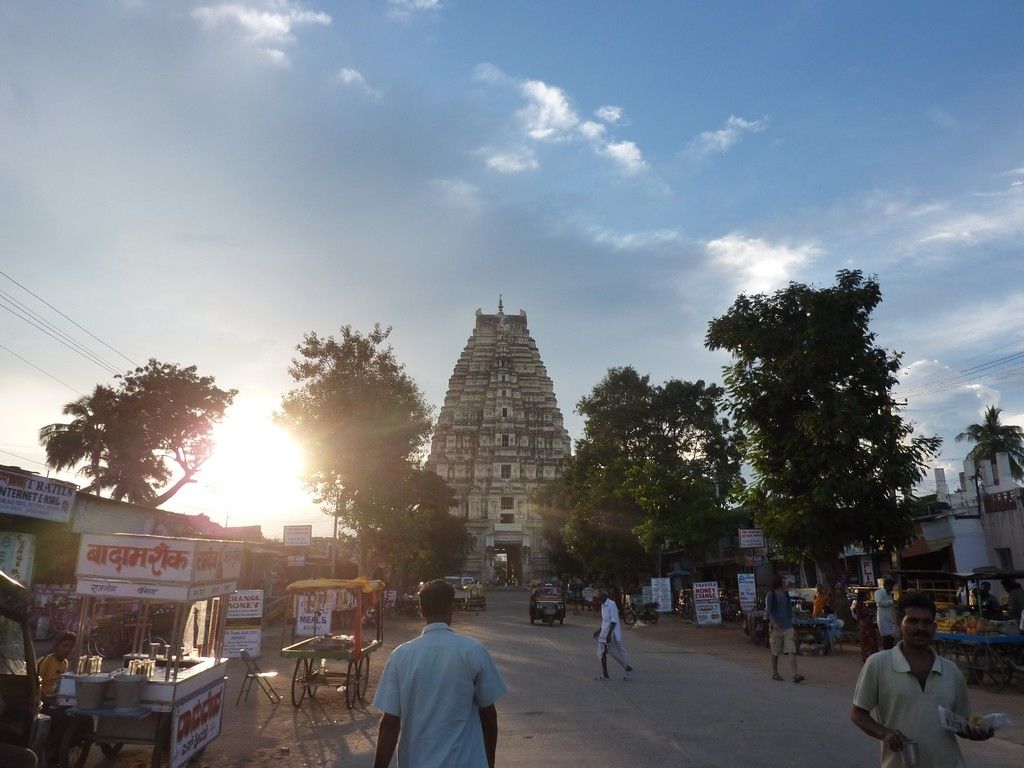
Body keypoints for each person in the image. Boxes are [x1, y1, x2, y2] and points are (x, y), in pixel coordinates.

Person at [372, 580, 507, 768]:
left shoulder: (400, 656)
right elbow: (489, 716)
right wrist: (489, 763)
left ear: (421, 610)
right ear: (451, 608)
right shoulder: (473, 651)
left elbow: (390, 722)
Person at [850, 592, 993, 768]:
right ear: (899, 623)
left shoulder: (951, 671)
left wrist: (977, 732)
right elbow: (858, 714)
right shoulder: (878, 664)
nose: (920, 628)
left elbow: (961, 724)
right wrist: (885, 733)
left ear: (934, 626)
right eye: (912, 621)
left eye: (927, 622)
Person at [38, 631, 76, 766]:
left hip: (56, 700)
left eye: (71, 646)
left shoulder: (65, 663)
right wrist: (48, 700)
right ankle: (50, 752)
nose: (68, 649)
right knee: (61, 718)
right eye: (64, 645)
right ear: (57, 646)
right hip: (42, 701)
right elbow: (36, 684)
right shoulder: (47, 661)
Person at [765, 575, 803, 683]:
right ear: (779, 583)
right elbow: (769, 612)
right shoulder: (771, 595)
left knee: (791, 650)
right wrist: (774, 624)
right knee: (775, 652)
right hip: (776, 628)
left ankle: (795, 674)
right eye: (784, 581)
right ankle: (775, 672)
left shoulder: (786, 595)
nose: (786, 583)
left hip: (788, 627)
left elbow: (789, 611)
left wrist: (791, 624)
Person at [593, 588, 633, 681]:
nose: (598, 598)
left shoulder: (611, 604)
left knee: (614, 653)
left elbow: (614, 621)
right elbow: (604, 621)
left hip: (612, 633)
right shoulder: (603, 605)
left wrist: (609, 634)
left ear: (604, 596)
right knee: (602, 652)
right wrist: (599, 631)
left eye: (599, 597)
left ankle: (627, 668)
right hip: (604, 633)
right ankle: (605, 675)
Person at [851, 589, 879, 663]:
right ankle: (867, 657)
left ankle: (872, 656)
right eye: (865, 595)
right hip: (864, 625)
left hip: (867, 624)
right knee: (866, 641)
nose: (867, 597)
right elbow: (859, 615)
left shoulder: (862, 604)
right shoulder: (859, 605)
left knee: (870, 640)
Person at [874, 577, 898, 650]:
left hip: (891, 618)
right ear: (887, 585)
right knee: (886, 637)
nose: (892, 588)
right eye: (891, 586)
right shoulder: (878, 592)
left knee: (891, 638)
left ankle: (890, 651)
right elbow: (880, 603)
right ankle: (887, 652)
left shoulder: (890, 594)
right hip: (883, 617)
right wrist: (892, 602)